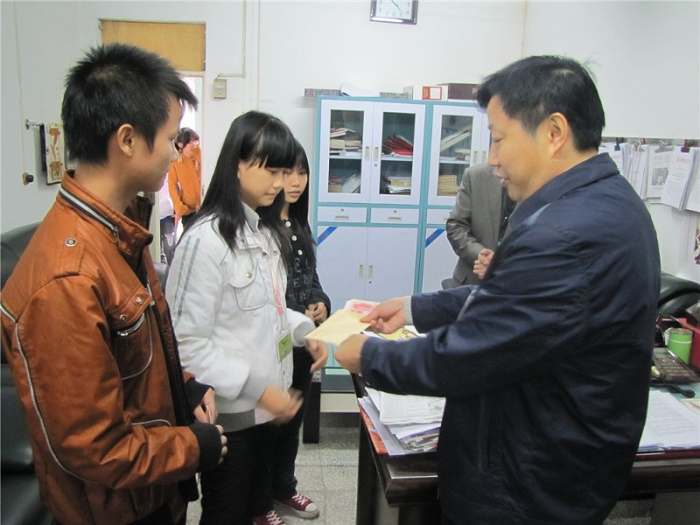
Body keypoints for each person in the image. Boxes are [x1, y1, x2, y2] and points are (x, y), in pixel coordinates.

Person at [335, 55, 660, 525]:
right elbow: (516, 304)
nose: (491, 158)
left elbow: (467, 356)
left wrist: (369, 357)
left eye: (499, 138)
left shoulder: (561, 234)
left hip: (526, 489)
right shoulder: (611, 203)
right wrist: (412, 309)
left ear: (553, 132)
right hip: (564, 468)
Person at [0, 43, 226, 525]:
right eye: (171, 139)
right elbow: (93, 446)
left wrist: (183, 388)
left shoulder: (119, 230)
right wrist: (191, 447)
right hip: (117, 511)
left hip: (149, 491)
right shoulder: (66, 280)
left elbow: (135, 359)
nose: (176, 152)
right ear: (127, 140)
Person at [165, 111, 328, 525]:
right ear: (237, 164)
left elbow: (270, 311)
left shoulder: (264, 232)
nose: (280, 183)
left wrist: (304, 331)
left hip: (266, 411)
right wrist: (259, 389)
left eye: (285, 172)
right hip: (231, 420)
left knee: (255, 508)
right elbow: (185, 346)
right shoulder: (205, 242)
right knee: (226, 513)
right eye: (272, 170)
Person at [270, 140, 331, 520]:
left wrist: (321, 301)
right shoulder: (262, 227)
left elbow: (310, 277)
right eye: (286, 172)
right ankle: (260, 499)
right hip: (275, 343)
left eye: (302, 172)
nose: (295, 181)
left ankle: (284, 488)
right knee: (268, 426)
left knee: (291, 423)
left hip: (304, 341)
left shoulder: (298, 222)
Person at [446, 163, 516, 286]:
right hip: (471, 280)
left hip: (516, 285)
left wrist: (500, 264)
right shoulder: (475, 175)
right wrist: (480, 255)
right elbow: (456, 225)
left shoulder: (542, 182)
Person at [168, 127, 202, 230]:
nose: (194, 146)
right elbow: (172, 185)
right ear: (181, 145)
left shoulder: (200, 155)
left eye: (196, 142)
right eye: (191, 144)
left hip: (205, 208)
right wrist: (179, 207)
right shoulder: (176, 161)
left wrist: (198, 153)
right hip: (188, 211)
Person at [159, 173, 177, 264]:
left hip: (168, 215)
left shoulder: (171, 173)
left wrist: (177, 209)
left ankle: (173, 270)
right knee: (156, 251)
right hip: (154, 216)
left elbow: (178, 190)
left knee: (170, 249)